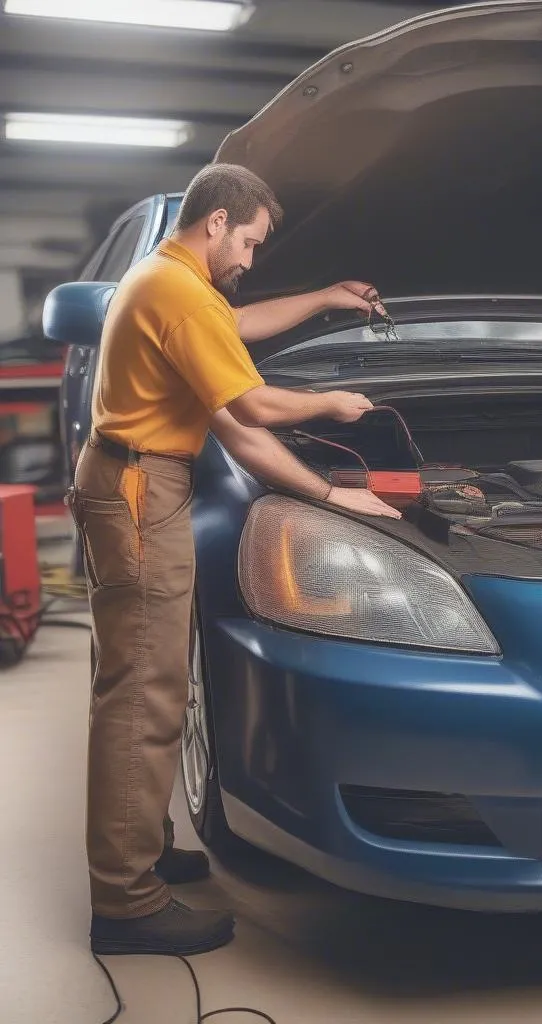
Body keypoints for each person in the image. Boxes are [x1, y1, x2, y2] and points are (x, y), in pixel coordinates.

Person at [68, 163, 402, 957]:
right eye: (249, 241)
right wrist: (329, 431)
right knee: (143, 693)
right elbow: (249, 413)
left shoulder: (175, 282)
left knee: (143, 678)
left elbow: (241, 326)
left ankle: (138, 851)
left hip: (134, 480)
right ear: (216, 222)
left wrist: (325, 298)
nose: (251, 259)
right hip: (143, 489)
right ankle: (126, 902)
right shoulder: (176, 291)